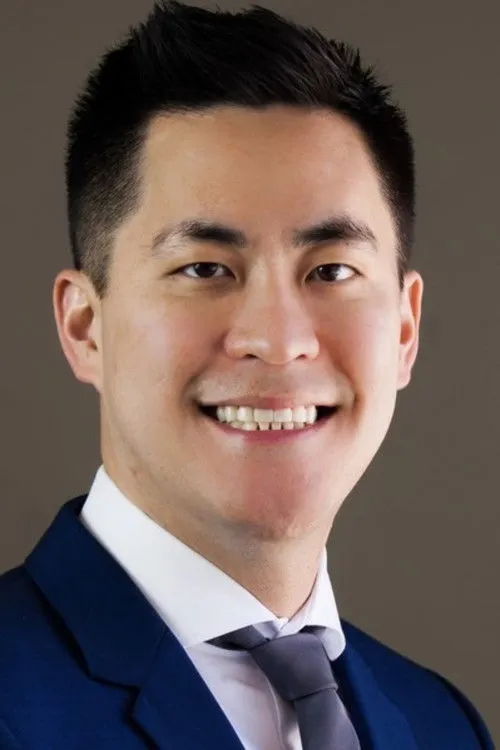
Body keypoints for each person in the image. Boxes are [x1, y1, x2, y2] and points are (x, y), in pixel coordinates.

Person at [0, 1, 494, 747]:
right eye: (205, 268)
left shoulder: (441, 724)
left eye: (331, 270)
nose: (278, 340)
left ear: (404, 328)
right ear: (84, 326)